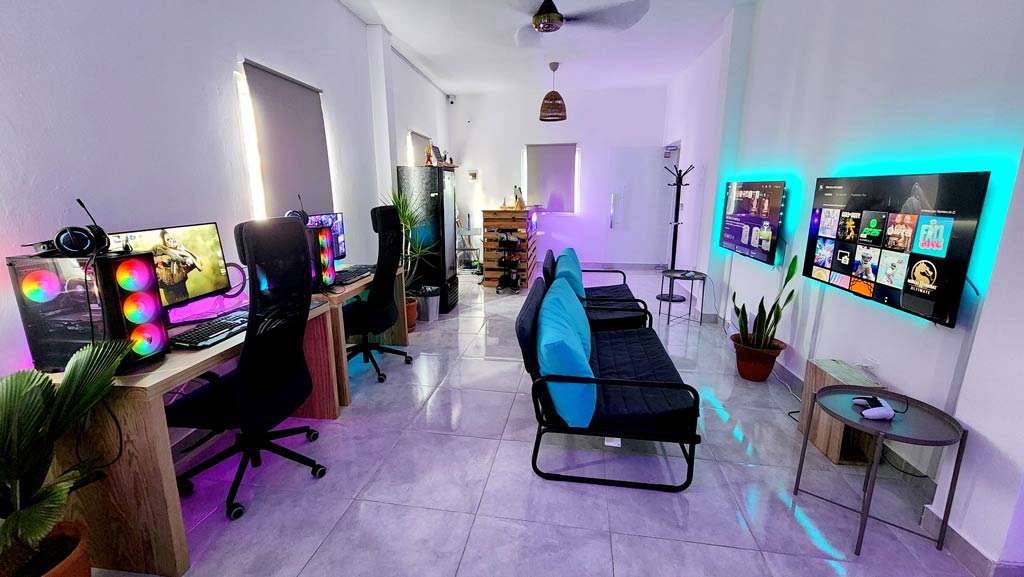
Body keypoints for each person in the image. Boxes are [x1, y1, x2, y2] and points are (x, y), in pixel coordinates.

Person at [153, 229, 202, 304]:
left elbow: (198, 263)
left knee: (185, 305)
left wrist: (186, 254)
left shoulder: (181, 252)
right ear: (164, 242)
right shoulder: (159, 253)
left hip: (181, 289)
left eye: (172, 238)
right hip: (169, 291)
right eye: (168, 239)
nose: (171, 240)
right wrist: (162, 258)